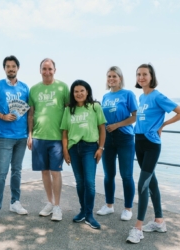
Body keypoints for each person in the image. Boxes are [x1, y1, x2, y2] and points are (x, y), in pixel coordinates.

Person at [126, 64, 180, 244]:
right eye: (138, 74)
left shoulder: (157, 96)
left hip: (152, 144)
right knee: (151, 182)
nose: (141, 77)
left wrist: (163, 125)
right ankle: (159, 221)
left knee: (142, 184)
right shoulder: (141, 96)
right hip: (139, 142)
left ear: (151, 76)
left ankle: (138, 228)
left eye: (145, 74)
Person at [0, 55, 29, 223]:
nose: (11, 69)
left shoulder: (25, 88)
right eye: (8, 66)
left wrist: (30, 134)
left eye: (13, 66)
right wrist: (2, 116)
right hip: (5, 136)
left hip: (22, 136)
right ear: (4, 69)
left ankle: (15, 202)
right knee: (1, 172)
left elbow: (29, 111)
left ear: (17, 68)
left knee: (17, 171)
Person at [27, 58, 70, 221]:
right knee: (44, 172)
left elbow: (69, 111)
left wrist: (68, 137)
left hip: (57, 138)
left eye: (50, 69)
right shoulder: (34, 89)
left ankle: (58, 206)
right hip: (38, 137)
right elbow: (31, 114)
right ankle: (50, 203)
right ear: (40, 71)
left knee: (55, 171)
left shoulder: (62, 87)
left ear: (55, 70)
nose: (47, 72)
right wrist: (30, 135)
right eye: (44, 69)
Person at [61, 80, 106, 229]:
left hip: (90, 148)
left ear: (87, 92)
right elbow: (65, 132)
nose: (79, 94)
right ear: (72, 94)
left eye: (82, 90)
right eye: (76, 91)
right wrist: (65, 151)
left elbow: (102, 128)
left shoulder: (95, 107)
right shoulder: (69, 110)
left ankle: (89, 214)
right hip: (74, 149)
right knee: (80, 182)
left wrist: (101, 148)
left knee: (90, 183)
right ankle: (82, 211)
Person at [97, 66, 138, 221]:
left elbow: (135, 116)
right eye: (109, 76)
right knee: (109, 175)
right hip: (107, 138)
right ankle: (109, 205)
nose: (111, 79)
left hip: (124, 138)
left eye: (114, 76)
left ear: (120, 78)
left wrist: (118, 125)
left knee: (126, 175)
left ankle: (128, 208)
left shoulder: (128, 94)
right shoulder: (105, 97)